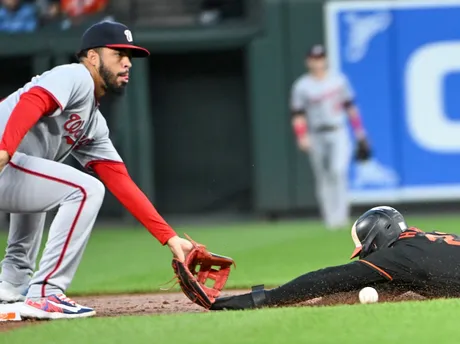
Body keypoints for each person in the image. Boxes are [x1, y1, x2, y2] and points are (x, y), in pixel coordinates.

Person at [0, 20, 193, 319]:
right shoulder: (75, 75)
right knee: (84, 189)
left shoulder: (92, 121)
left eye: (130, 56)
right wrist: (5, 148)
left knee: (47, 184)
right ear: (92, 57)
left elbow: (120, 181)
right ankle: (46, 293)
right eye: (118, 54)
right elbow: (32, 101)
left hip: (10, 165)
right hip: (4, 156)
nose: (127, 62)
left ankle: (11, 286)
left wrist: (169, 238)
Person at [210, 206, 460, 310]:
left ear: (379, 236)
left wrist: (264, 298)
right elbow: (391, 287)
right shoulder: (422, 242)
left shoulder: (398, 256)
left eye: (366, 249)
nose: (367, 256)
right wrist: (324, 303)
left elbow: (332, 278)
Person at [290, 44, 370, 230]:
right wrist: (302, 136)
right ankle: (330, 219)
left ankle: (340, 217)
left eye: (320, 58)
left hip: (338, 131)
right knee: (323, 176)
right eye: (314, 58)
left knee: (337, 171)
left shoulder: (338, 80)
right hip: (316, 133)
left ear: (325, 59)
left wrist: (360, 133)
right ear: (308, 61)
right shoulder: (302, 86)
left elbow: (350, 107)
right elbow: (297, 114)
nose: (317, 62)